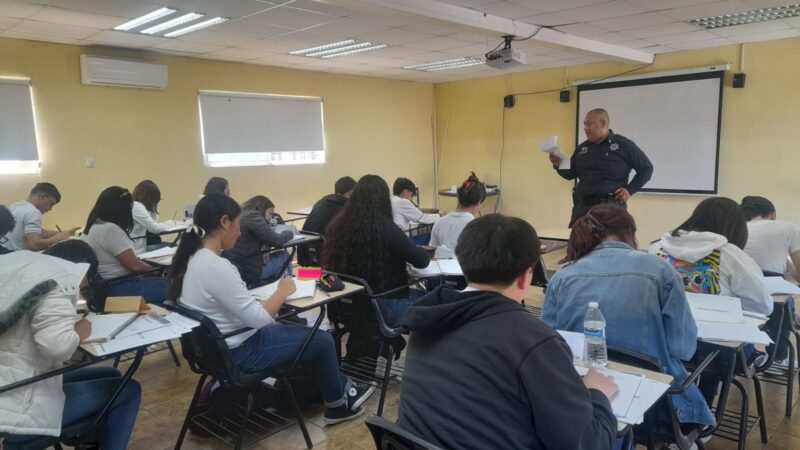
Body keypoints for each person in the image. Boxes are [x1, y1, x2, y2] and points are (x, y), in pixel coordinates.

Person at [398, 214, 619, 449]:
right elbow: (589, 444)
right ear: (526, 276)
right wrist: (598, 394)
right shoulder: (534, 340)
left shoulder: (427, 317)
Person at [166, 194, 374, 425]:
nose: (240, 232)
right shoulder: (217, 266)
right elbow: (260, 319)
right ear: (224, 222)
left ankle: (344, 387)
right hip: (240, 352)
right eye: (237, 225)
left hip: (217, 352)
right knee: (322, 340)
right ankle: (338, 406)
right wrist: (282, 292)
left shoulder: (191, 260)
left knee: (299, 330)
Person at [542, 204, 715, 428]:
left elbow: (551, 342)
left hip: (584, 393)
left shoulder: (563, 275)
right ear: (630, 233)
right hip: (656, 401)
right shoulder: (660, 269)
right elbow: (683, 348)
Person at [0, 240, 141, 449]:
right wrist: (78, 330)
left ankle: (86, 441)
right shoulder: (59, 278)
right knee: (128, 389)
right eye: (88, 282)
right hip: (14, 413)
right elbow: (57, 346)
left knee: (111, 375)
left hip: (12, 381)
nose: (85, 288)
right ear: (83, 270)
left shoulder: (17, 263)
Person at [649, 197, 773, 316]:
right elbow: (762, 306)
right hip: (715, 333)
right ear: (736, 227)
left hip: (662, 331)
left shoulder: (656, 247)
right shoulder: (732, 254)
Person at [549, 109, 653, 227]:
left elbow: (646, 168)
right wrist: (559, 164)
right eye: (584, 125)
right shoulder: (582, 148)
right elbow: (571, 174)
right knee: (579, 244)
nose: (586, 128)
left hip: (610, 210)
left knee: (608, 244)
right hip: (582, 210)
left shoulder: (623, 145)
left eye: (589, 124)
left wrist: (630, 189)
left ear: (603, 123)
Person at [81, 186, 167, 304]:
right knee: (175, 287)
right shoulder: (110, 230)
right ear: (122, 210)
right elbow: (135, 266)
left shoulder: (91, 227)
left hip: (104, 288)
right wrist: (156, 270)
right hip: (121, 288)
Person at [224, 195, 294, 287]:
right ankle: (289, 287)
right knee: (284, 255)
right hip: (248, 272)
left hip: (236, 268)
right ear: (262, 209)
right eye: (270, 213)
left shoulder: (242, 214)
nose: (270, 218)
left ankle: (276, 288)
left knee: (279, 264)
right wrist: (290, 232)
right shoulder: (253, 216)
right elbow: (276, 240)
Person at [2, 182, 79, 252]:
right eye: (51, 204)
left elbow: (36, 232)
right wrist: (58, 238)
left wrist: (67, 232)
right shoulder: (33, 212)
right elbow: (34, 245)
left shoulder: (16, 206)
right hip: (14, 256)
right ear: (42, 196)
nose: (50, 209)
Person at [298, 176, 356, 266]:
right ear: (351, 192)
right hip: (321, 257)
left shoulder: (323, 201)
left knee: (311, 275)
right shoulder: (343, 206)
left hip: (304, 253)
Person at [741, 195, 800, 278]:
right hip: (773, 283)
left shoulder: (737, 229)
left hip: (739, 282)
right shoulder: (790, 228)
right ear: (773, 215)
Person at [429, 172, 485, 258]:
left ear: (459, 198)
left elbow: (431, 251)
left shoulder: (439, 222)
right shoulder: (477, 227)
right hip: (464, 270)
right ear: (479, 202)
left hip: (440, 268)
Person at [131, 180, 178, 255]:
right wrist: (172, 223)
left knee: (175, 247)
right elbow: (155, 229)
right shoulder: (136, 206)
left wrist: (155, 207)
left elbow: (154, 224)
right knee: (176, 249)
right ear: (149, 197)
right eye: (155, 199)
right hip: (137, 250)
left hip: (141, 246)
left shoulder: (140, 206)